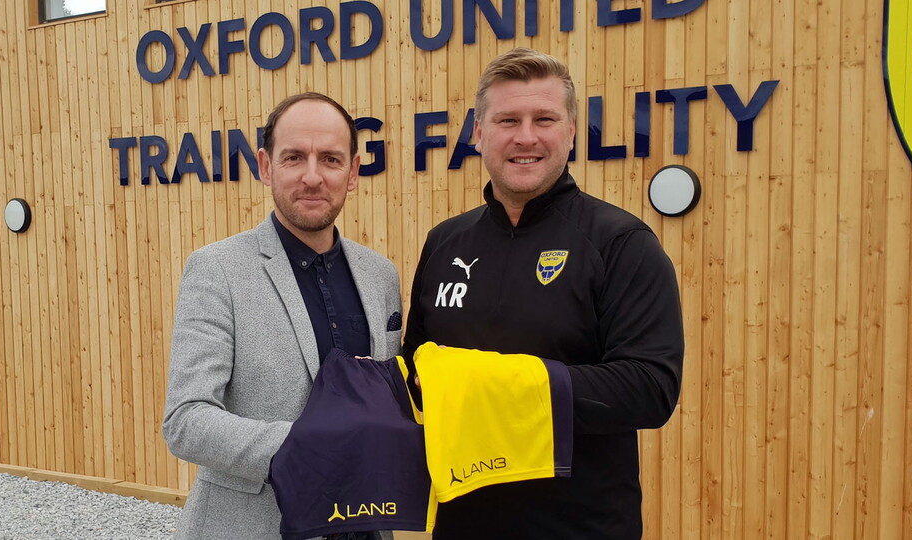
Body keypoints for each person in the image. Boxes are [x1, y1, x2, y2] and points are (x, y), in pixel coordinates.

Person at [402, 48, 685, 539]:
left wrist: (494, 384)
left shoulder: (621, 243)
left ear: (571, 132)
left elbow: (650, 389)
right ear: (479, 133)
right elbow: (417, 368)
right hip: (461, 525)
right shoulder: (445, 242)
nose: (526, 136)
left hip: (583, 528)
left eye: (544, 119)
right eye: (508, 120)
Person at [163, 92, 403, 540]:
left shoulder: (380, 276)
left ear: (353, 172)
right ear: (266, 166)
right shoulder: (217, 270)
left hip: (364, 525)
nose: (312, 176)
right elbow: (185, 419)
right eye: (294, 157)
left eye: (330, 159)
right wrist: (306, 448)